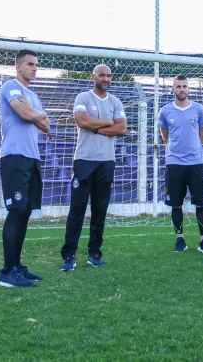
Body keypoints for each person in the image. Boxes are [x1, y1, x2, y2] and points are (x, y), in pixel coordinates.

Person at [61, 65, 127, 271]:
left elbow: (122, 128)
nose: (105, 78)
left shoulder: (115, 101)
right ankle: (69, 255)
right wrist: (107, 123)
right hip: (84, 160)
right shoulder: (83, 97)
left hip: (107, 161)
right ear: (93, 77)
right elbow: (81, 121)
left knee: (100, 210)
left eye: (108, 75)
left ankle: (94, 253)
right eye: (101, 75)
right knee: (77, 209)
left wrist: (95, 127)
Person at [0, 49, 50, 288]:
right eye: (30, 64)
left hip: (32, 158)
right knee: (16, 211)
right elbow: (25, 113)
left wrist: (36, 113)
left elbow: (46, 125)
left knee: (25, 212)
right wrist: (34, 114)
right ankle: (7, 272)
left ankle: (17, 267)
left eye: (36, 64)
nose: (34, 68)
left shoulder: (33, 95)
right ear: (18, 66)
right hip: (14, 156)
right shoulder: (10, 87)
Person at [158, 74, 203, 253]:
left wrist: (193, 149)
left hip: (196, 163)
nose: (181, 89)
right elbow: (164, 135)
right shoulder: (165, 111)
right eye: (178, 86)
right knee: (176, 204)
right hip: (174, 163)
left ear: (188, 89)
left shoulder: (198, 109)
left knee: (201, 203)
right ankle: (179, 240)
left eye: (184, 86)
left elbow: (202, 135)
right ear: (172, 89)